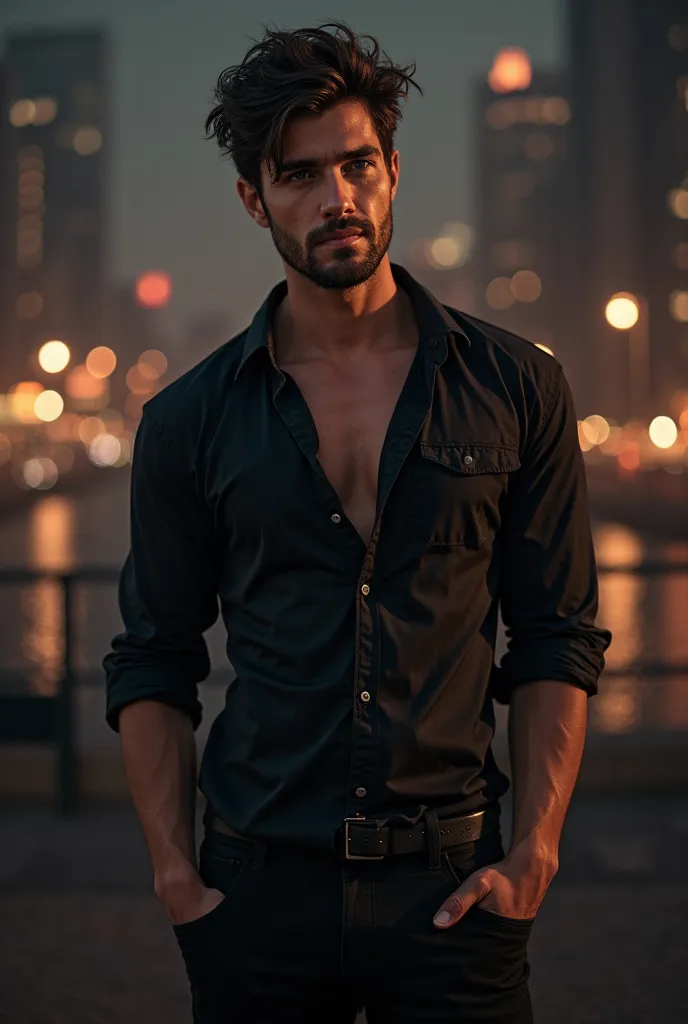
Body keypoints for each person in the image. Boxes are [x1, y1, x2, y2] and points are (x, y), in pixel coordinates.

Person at [103, 21, 611, 1024]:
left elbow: (554, 631)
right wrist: (175, 876)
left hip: (453, 890)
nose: (336, 198)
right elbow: (153, 656)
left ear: (390, 170)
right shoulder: (189, 420)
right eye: (299, 176)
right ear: (254, 199)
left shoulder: (515, 386)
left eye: (357, 164)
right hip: (256, 889)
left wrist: (534, 851)